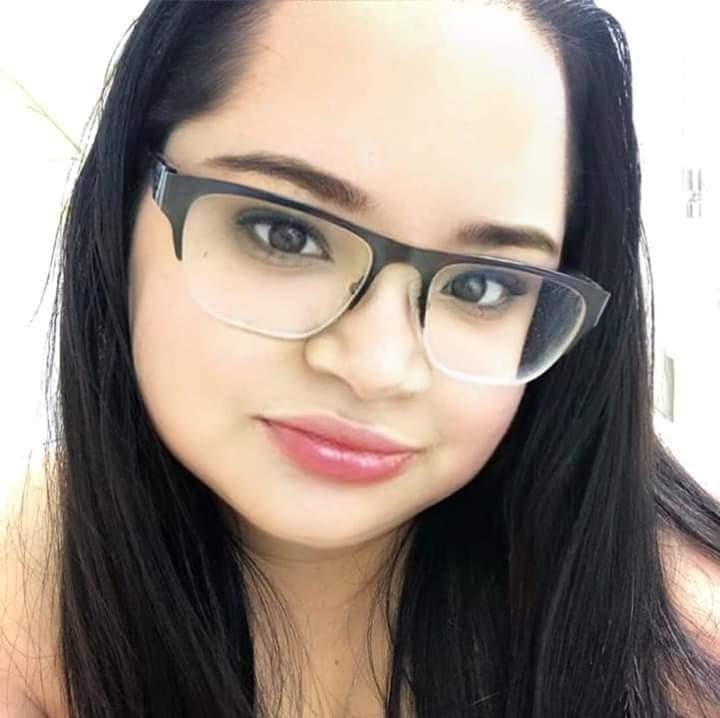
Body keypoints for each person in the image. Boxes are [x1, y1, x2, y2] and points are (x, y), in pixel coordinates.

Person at [1, 1, 719, 716]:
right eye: (285, 233)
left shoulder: (682, 658)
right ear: (125, 195)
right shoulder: (33, 579)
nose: (378, 367)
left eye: (482, 285)